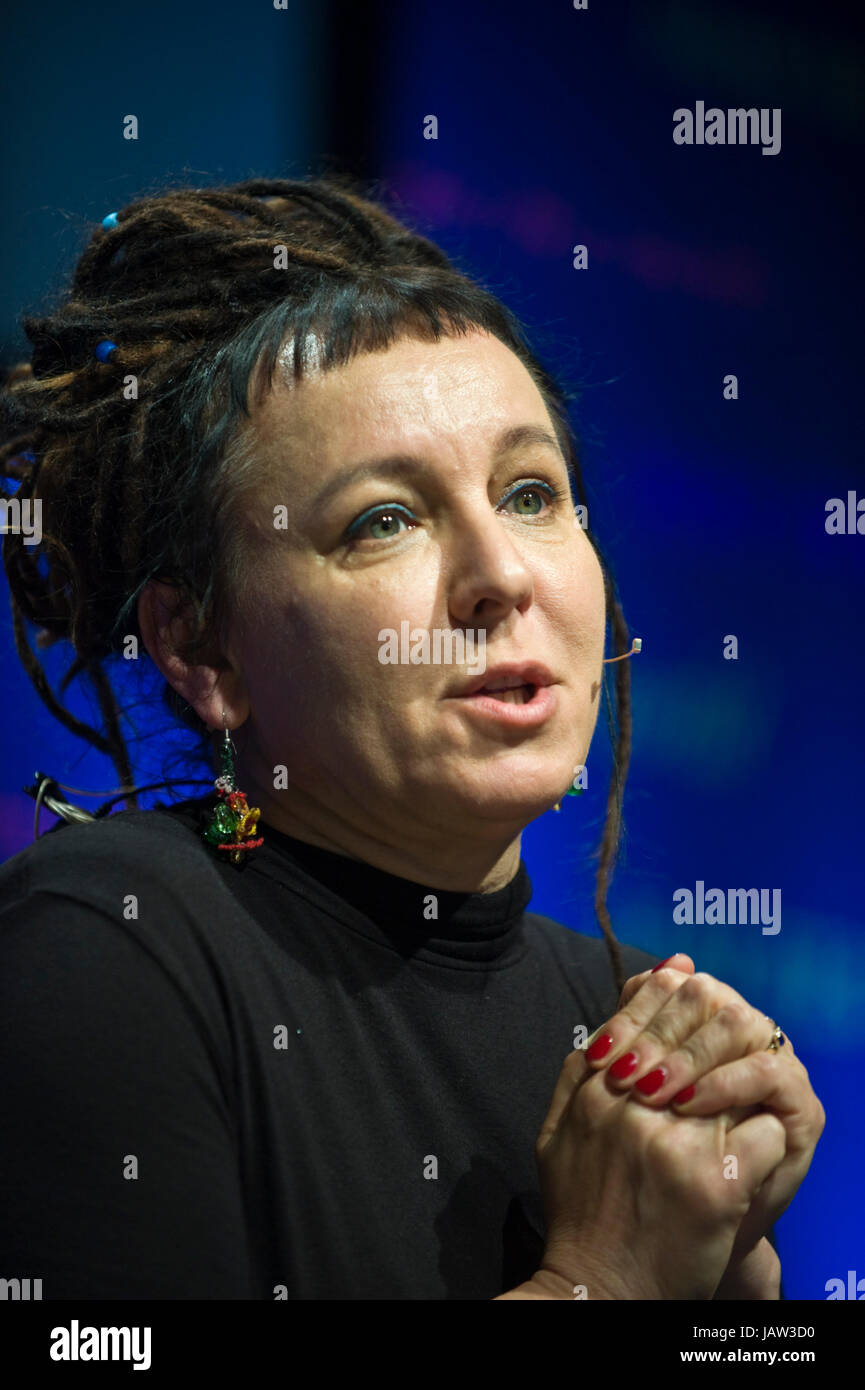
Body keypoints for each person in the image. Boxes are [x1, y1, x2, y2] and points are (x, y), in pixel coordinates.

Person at [0, 175, 824, 1300]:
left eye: (531, 493)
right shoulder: (110, 940)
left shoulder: (628, 1020)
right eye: (384, 520)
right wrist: (601, 1279)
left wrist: (736, 1300)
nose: (500, 575)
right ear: (202, 651)